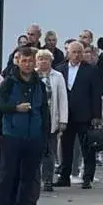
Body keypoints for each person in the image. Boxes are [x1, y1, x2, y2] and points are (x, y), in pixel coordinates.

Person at [0, 47, 50, 205]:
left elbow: (45, 111)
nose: (27, 64)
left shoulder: (39, 84)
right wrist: (15, 108)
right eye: (24, 61)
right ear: (18, 62)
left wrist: (44, 136)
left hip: (34, 136)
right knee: (7, 174)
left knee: (28, 175)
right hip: (12, 135)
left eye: (31, 61)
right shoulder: (9, 82)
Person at [59, 41, 103, 189]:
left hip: (85, 115)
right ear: (68, 53)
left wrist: (96, 115)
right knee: (66, 147)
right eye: (74, 52)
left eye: (80, 52)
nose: (77, 55)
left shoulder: (90, 70)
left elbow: (96, 93)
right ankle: (64, 176)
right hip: (66, 115)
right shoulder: (61, 69)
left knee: (87, 148)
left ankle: (87, 177)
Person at [33, 48, 68, 192]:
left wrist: (63, 119)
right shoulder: (32, 75)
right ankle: (34, 180)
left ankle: (47, 180)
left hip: (51, 120)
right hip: (35, 120)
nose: (43, 62)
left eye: (46, 59)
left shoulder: (57, 76)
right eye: (40, 59)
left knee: (49, 152)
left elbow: (63, 98)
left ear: (51, 61)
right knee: (34, 152)